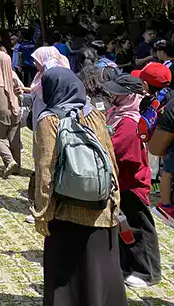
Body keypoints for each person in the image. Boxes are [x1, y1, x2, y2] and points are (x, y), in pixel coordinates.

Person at [31, 67, 126, 306]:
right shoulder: (94, 114)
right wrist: (115, 200)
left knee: (67, 271)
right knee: (100, 265)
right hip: (101, 203)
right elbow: (110, 159)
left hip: (67, 208)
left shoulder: (49, 120)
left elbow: (46, 171)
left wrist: (42, 213)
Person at [101, 73, 162, 287]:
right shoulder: (116, 113)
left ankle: (148, 272)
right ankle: (128, 265)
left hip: (132, 184)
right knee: (125, 227)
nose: (112, 95)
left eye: (117, 92)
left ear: (129, 96)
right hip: (121, 182)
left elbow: (120, 152)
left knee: (141, 228)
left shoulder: (129, 122)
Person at [136, 63, 174, 228]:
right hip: (167, 146)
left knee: (167, 172)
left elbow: (155, 148)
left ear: (145, 84)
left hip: (162, 148)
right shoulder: (171, 97)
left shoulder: (149, 103)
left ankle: (165, 207)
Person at [0, 51, 24, 178]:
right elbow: (22, 89)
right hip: (15, 111)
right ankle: (17, 168)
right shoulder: (12, 74)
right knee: (14, 140)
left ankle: (9, 161)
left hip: (0, 113)